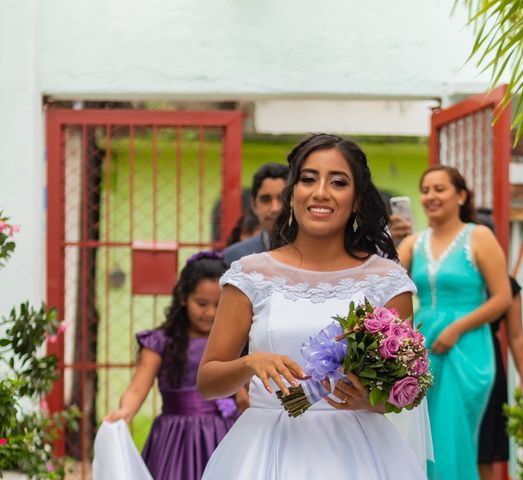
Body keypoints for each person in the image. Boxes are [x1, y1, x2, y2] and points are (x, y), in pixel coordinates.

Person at [197, 133, 427, 479]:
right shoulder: (250, 274)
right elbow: (208, 381)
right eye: (308, 179)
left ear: (357, 199)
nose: (321, 192)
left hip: (359, 456)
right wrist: (250, 362)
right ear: (293, 195)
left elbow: (404, 393)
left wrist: (370, 401)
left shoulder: (388, 281)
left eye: (338, 181)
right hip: (266, 450)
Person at [396, 165, 511, 479]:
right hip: (423, 349)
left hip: (466, 347)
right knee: (422, 435)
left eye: (440, 189)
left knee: (453, 436)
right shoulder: (413, 243)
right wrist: (392, 239)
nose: (431, 196)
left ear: (461, 195)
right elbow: (388, 284)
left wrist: (457, 328)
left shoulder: (479, 236)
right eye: (425, 190)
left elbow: (502, 297)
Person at [103, 252, 240, 480]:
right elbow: (138, 388)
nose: (210, 313)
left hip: (224, 435)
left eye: (219, 304)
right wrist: (126, 411)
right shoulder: (160, 342)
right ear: (184, 297)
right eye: (202, 304)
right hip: (175, 438)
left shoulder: (235, 341)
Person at [475, 211, 523, 480]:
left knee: (486, 446)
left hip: (488, 361)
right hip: (445, 353)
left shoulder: (506, 285)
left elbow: (517, 335)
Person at [222, 162, 288, 266]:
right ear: (254, 205)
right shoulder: (234, 256)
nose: (275, 208)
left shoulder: (314, 253)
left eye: (283, 198)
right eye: (266, 200)